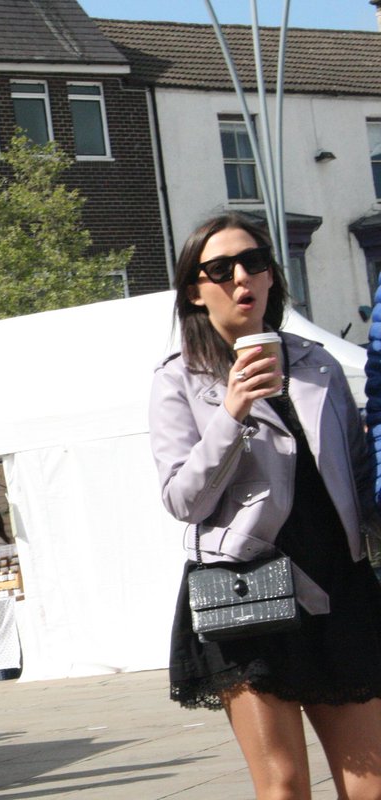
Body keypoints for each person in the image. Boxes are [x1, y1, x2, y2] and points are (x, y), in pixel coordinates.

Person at [149, 213, 381, 800]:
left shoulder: (318, 363)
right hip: (248, 590)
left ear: (273, 276)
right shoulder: (180, 380)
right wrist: (230, 413)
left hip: (340, 583)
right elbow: (183, 499)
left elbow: (358, 473)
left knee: (371, 783)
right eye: (219, 269)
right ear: (195, 293)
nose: (240, 278)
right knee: (283, 786)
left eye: (253, 262)